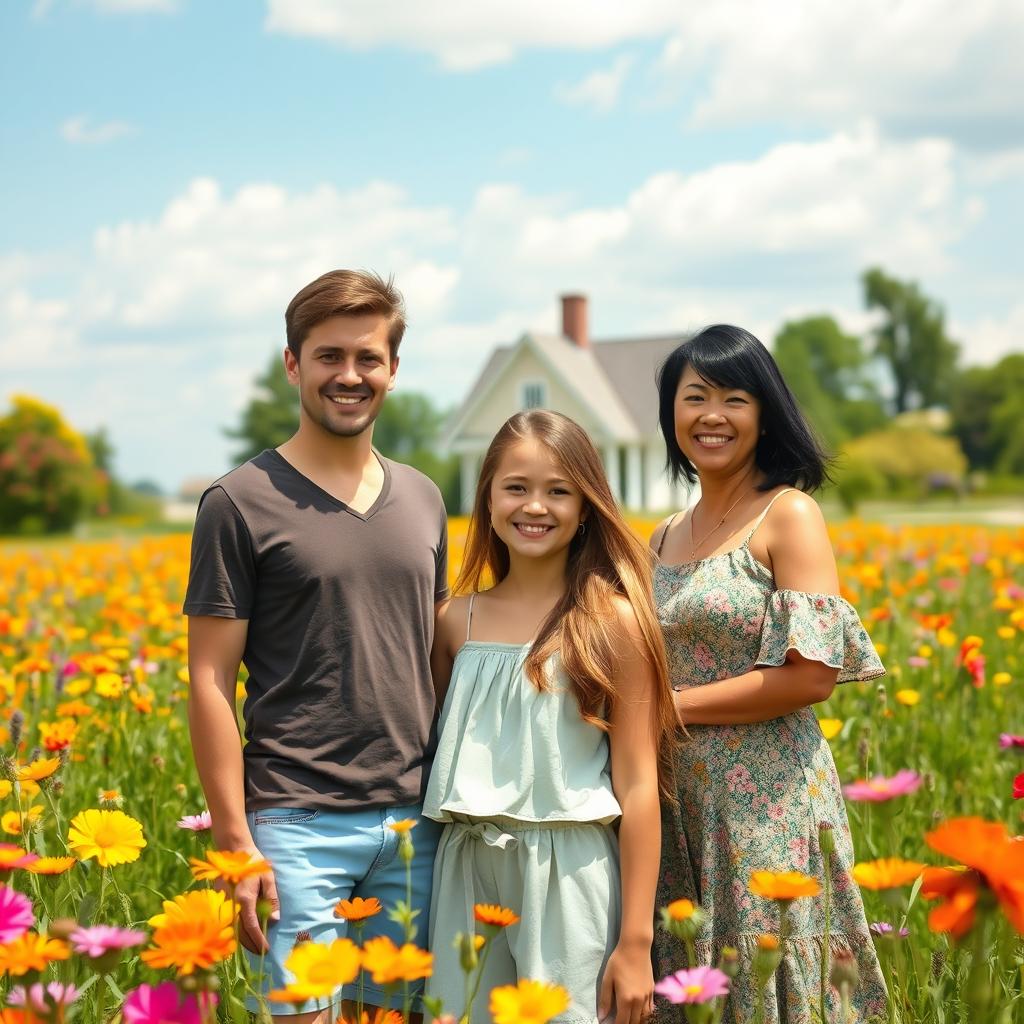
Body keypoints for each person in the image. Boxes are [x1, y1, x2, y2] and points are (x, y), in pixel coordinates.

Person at [184, 270, 448, 1023]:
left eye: (369, 358)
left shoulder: (425, 498)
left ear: (393, 370)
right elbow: (208, 678)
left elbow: (433, 657)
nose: (350, 375)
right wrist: (235, 839)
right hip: (294, 824)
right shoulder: (237, 502)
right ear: (293, 364)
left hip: (413, 822)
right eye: (329, 356)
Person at [649, 325, 886, 1023]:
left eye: (734, 398)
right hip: (676, 803)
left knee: (767, 972)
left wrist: (668, 708)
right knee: (694, 981)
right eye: (695, 397)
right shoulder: (663, 534)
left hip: (769, 803)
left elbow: (809, 678)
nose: (712, 416)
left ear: (765, 413)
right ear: (672, 413)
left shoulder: (788, 516)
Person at [424, 410, 677, 1024]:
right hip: (464, 871)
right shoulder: (456, 622)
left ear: (586, 506)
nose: (534, 506)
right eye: (516, 487)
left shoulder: (613, 622)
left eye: (558, 490)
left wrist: (636, 943)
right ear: (486, 498)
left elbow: (640, 785)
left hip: (571, 876)